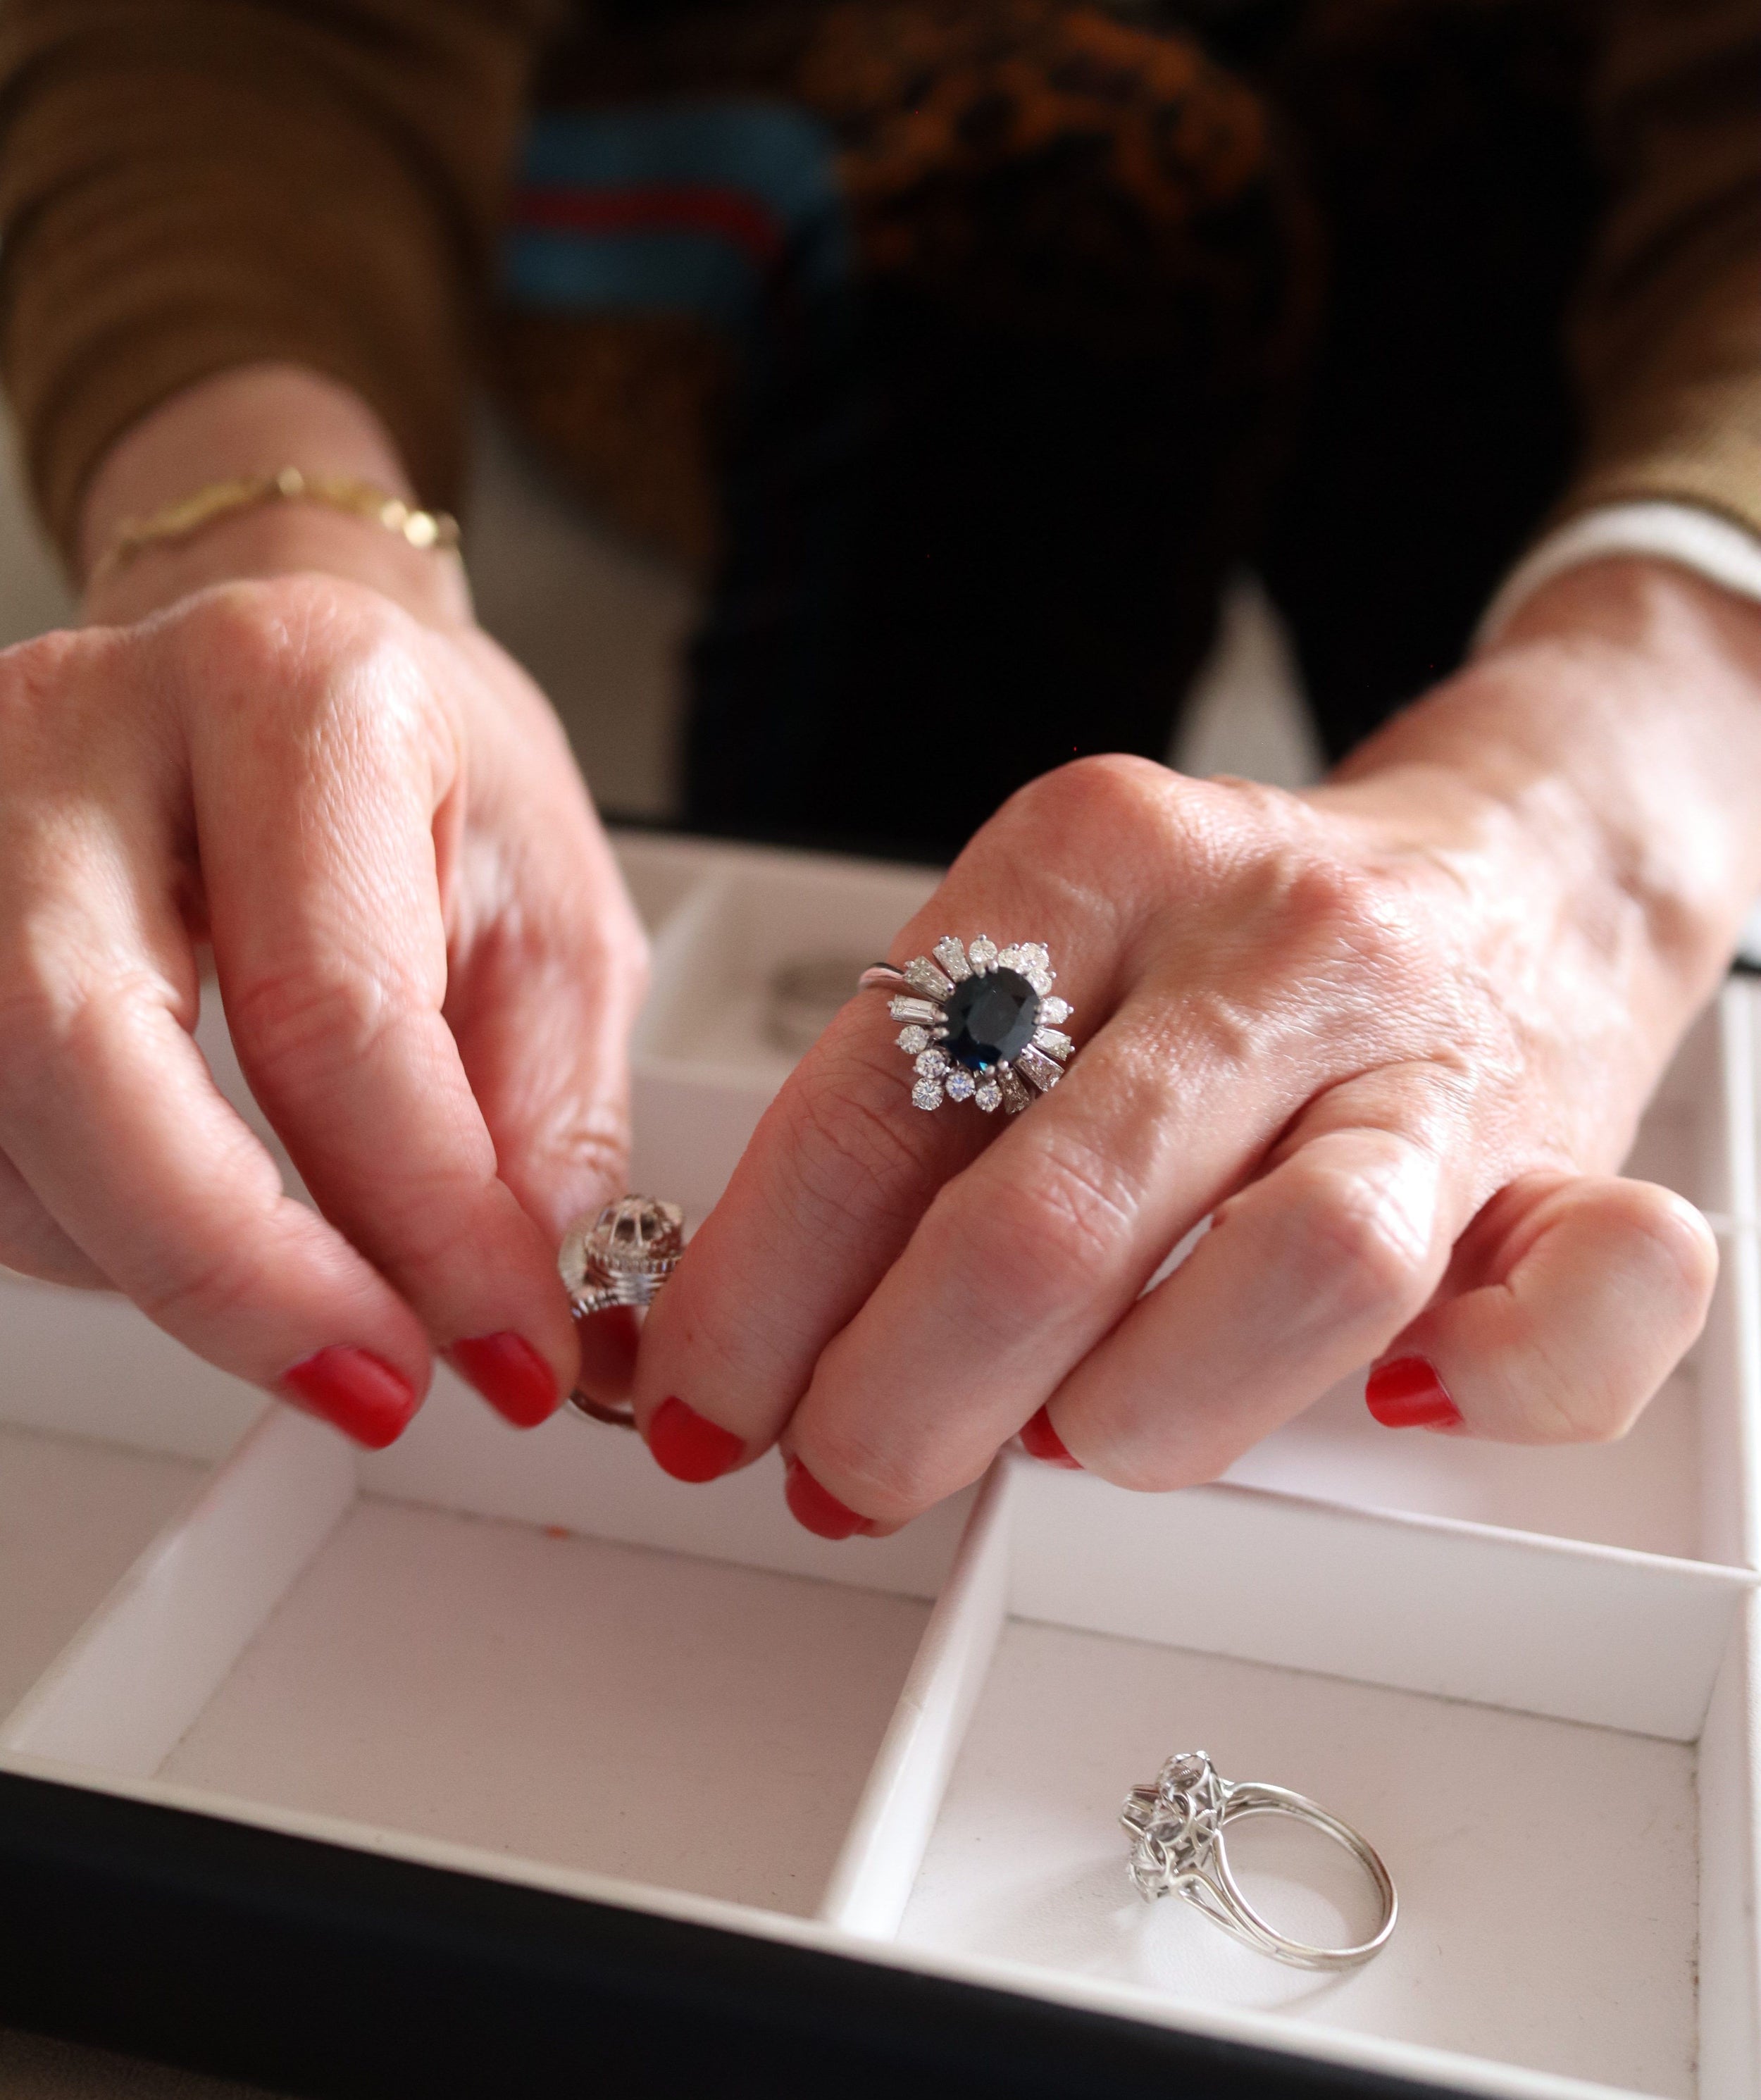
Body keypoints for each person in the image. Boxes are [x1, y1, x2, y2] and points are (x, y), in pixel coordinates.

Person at [0, 0, 1757, 1539]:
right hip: (767, 128)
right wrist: (285, 559)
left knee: (1458, 145)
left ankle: (1253, 1170)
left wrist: (1590, 816)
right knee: (1070, 205)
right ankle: (901, 1256)